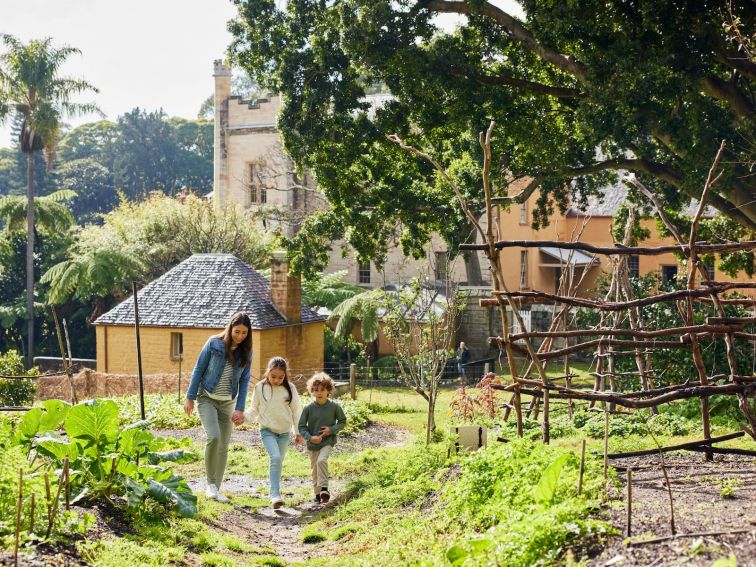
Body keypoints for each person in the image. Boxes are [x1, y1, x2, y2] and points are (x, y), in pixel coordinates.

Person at [184, 312, 252, 503]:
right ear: (230, 328)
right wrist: (190, 397)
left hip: (228, 403)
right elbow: (199, 368)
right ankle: (210, 484)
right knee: (213, 437)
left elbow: (245, 381)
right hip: (207, 398)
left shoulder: (246, 353)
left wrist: (240, 408)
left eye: (244, 333)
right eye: (237, 331)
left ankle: (216, 488)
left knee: (224, 445)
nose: (240, 336)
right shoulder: (213, 343)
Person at [245, 357, 304, 509]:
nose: (276, 380)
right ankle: (275, 495)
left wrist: (297, 432)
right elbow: (254, 409)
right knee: (276, 458)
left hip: (284, 433)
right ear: (267, 372)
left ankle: (274, 490)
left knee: (278, 462)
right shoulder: (260, 388)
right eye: (273, 377)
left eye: (280, 377)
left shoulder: (290, 388)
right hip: (267, 431)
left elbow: (297, 411)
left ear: (285, 375)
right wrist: (244, 417)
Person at [298, 372, 347, 504]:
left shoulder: (334, 407)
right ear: (312, 391)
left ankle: (325, 488)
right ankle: (318, 495)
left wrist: (331, 430)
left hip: (327, 441)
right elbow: (301, 426)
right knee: (314, 470)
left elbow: (342, 421)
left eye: (322, 390)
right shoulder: (308, 408)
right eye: (316, 390)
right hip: (313, 444)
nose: (319, 393)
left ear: (328, 390)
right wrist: (310, 437)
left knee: (322, 460)